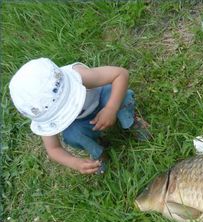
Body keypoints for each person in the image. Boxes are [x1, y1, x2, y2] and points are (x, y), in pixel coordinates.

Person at [9, 58, 151, 174]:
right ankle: (98, 152)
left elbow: (120, 74)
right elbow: (53, 149)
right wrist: (75, 163)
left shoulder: (79, 76)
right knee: (72, 135)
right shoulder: (41, 109)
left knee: (121, 97)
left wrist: (111, 108)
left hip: (101, 100)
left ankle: (131, 122)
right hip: (83, 121)